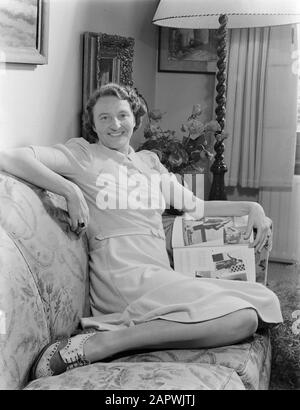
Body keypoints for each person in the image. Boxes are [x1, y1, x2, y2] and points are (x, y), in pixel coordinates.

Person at [0, 83, 282, 380]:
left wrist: (253, 208)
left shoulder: (148, 162)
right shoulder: (84, 155)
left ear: (136, 118)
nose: (115, 124)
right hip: (124, 275)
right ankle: (105, 343)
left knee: (264, 299)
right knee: (244, 318)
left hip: (159, 272)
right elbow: (10, 157)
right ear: (93, 124)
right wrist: (69, 190)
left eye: (122, 115)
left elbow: (196, 206)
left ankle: (135, 334)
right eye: (104, 117)